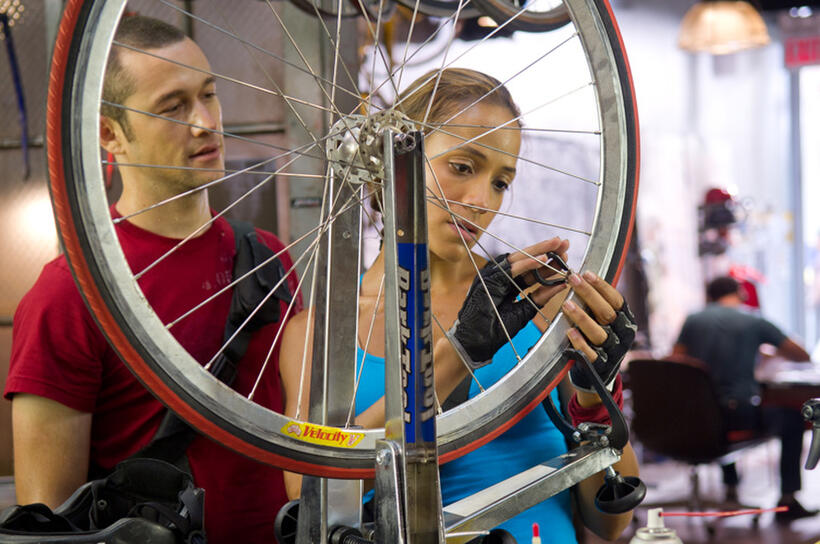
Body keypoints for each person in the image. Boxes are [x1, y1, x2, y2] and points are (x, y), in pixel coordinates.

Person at [279, 68, 639, 543]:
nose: (480, 200)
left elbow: (609, 521)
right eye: (463, 167)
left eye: (501, 182)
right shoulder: (318, 336)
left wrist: (596, 396)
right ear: (391, 160)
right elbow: (314, 498)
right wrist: (460, 354)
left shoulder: (538, 312)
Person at [4, 15, 301, 543]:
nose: (206, 123)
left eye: (209, 95)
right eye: (173, 107)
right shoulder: (72, 295)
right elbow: (48, 523)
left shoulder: (268, 257)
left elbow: (309, 442)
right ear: (109, 134)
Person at [673, 275, 815, 522]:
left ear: (709, 296)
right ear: (740, 293)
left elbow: (674, 360)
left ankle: (731, 487)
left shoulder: (693, 320)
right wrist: (767, 352)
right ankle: (788, 500)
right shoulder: (753, 321)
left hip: (698, 418)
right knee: (791, 420)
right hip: (737, 414)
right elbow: (801, 354)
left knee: (715, 406)